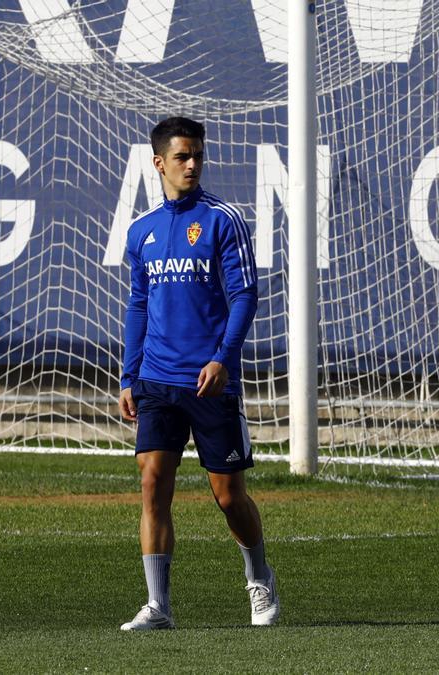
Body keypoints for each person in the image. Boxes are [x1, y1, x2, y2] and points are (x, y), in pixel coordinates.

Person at [117, 116, 278, 630]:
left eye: (198, 156)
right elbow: (138, 305)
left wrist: (223, 360)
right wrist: (127, 375)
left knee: (228, 495)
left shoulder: (222, 220)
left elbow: (245, 296)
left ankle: (260, 578)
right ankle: (158, 605)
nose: (192, 164)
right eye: (182, 157)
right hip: (157, 380)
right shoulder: (141, 231)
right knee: (152, 482)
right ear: (159, 162)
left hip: (210, 382)